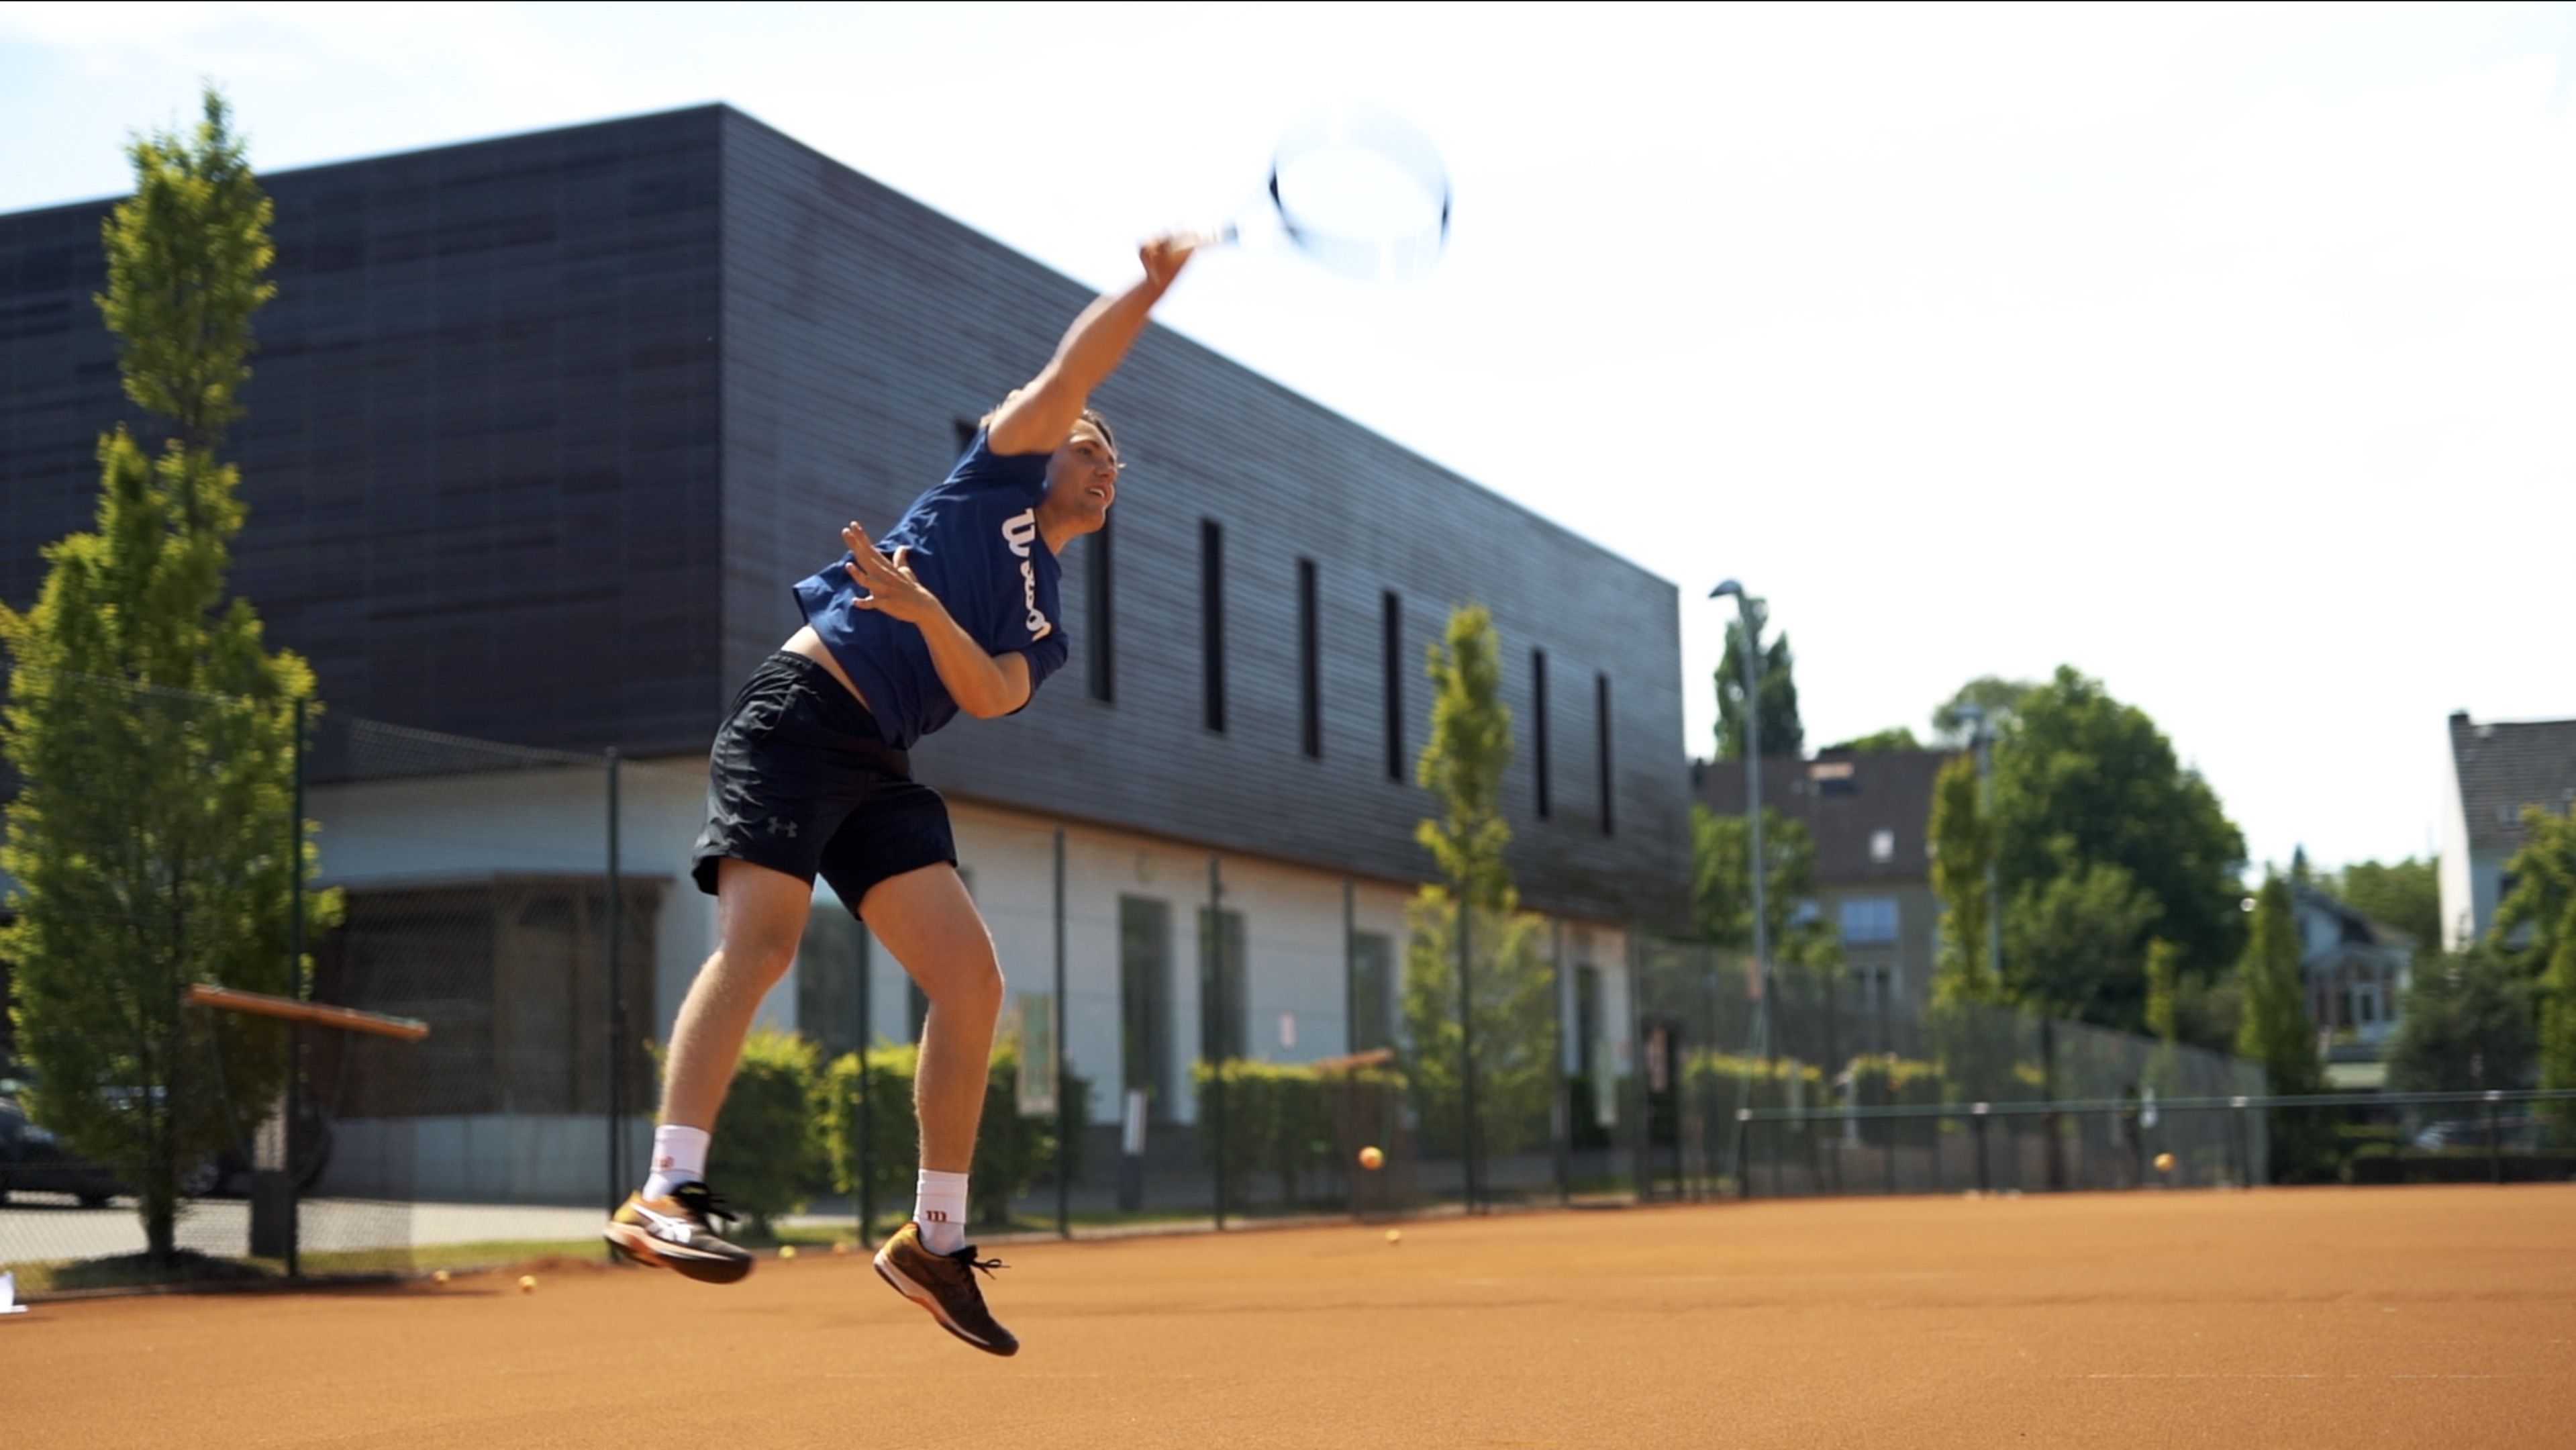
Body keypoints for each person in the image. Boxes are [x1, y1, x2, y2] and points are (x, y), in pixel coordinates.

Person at [604, 235, 1197, 1356]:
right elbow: (1073, 374)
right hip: (798, 716)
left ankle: (933, 1239)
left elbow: (985, 695)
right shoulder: (992, 480)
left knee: (971, 979)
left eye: (1115, 462)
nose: (1103, 463)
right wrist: (1150, 292)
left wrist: (926, 614)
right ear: (1035, 452)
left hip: (879, 759)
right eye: (1088, 449)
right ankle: (664, 1191)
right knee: (764, 945)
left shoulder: (1046, 617)